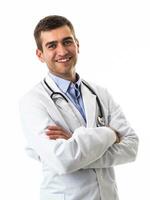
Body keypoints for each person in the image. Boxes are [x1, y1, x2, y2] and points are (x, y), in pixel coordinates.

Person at [19, 15, 139, 200]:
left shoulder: (100, 93)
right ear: (40, 55)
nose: (62, 51)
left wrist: (77, 144)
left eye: (67, 42)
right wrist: (110, 134)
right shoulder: (33, 102)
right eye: (52, 45)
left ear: (77, 44)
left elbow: (131, 147)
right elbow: (63, 160)